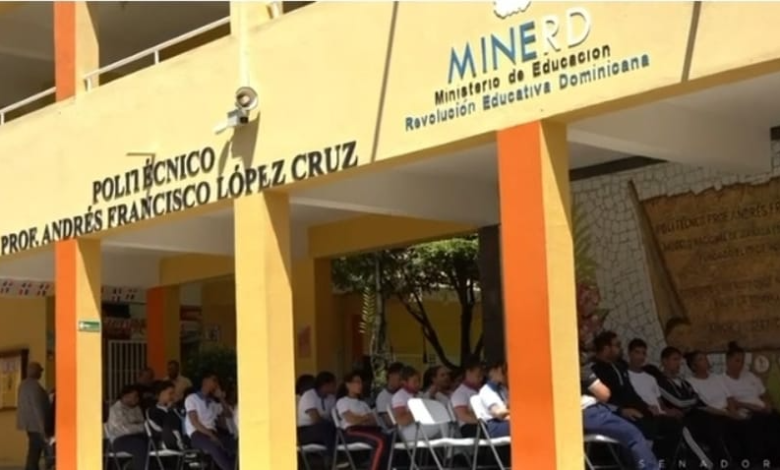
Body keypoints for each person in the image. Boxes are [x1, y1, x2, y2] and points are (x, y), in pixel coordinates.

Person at [592, 332, 683, 462]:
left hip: (635, 412)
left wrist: (647, 408)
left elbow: (631, 394)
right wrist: (621, 411)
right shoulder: (595, 371)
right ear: (606, 348)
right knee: (643, 429)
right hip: (615, 415)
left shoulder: (620, 367)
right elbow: (598, 400)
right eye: (617, 345)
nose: (620, 349)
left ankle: (661, 464)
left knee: (672, 425)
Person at [685, 350, 768, 464]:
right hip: (711, 415)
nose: (706, 360)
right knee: (727, 430)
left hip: (728, 412)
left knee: (751, 423)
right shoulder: (690, 383)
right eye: (701, 359)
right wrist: (728, 414)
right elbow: (702, 406)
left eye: (705, 357)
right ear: (694, 366)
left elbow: (729, 397)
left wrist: (733, 412)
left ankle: (756, 460)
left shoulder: (716, 378)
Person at [652, 346, 729, 466]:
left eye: (679, 360)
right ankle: (707, 464)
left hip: (695, 416)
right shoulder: (660, 382)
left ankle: (724, 463)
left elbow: (699, 402)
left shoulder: (684, 383)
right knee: (687, 430)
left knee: (713, 424)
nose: (678, 363)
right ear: (665, 361)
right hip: (679, 420)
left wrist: (726, 413)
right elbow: (679, 402)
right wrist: (693, 401)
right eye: (675, 359)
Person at [581, 362, 659, 470]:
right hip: (589, 413)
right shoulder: (579, 368)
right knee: (633, 433)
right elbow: (604, 394)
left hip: (575, 416)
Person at [722, 342, 780, 463]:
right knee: (758, 422)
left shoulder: (749, 376)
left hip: (762, 408)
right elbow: (731, 402)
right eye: (737, 361)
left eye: (742, 361)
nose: (740, 364)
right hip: (746, 411)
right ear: (728, 361)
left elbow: (764, 393)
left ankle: (775, 458)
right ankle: (759, 460)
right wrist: (750, 406)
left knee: (775, 418)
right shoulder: (722, 380)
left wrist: (768, 403)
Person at [336, 371, 392, 470]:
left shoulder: (363, 404)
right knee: (380, 441)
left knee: (388, 439)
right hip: (351, 432)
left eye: (361, 382)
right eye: (357, 382)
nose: (360, 385)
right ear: (348, 385)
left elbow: (373, 422)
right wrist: (365, 417)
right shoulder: (342, 401)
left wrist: (361, 418)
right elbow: (352, 420)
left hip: (367, 430)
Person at [184, 373, 236, 470]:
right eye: (214, 380)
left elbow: (228, 414)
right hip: (197, 433)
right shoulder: (192, 398)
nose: (216, 384)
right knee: (214, 447)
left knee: (232, 444)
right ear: (205, 381)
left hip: (213, 433)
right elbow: (194, 422)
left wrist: (221, 397)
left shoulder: (212, 403)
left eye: (217, 382)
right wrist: (211, 435)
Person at [392, 365, 443, 442]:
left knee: (446, 421)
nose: (418, 384)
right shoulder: (399, 396)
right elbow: (402, 420)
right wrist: (418, 409)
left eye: (419, 381)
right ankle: (449, 447)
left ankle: (449, 447)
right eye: (415, 381)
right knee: (443, 422)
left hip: (421, 427)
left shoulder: (419, 394)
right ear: (404, 383)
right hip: (408, 431)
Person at [17, 361, 52, 470]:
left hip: (29, 425)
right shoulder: (34, 387)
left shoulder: (23, 385)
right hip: (37, 425)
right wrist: (43, 428)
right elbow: (38, 408)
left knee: (34, 451)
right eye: (39, 371)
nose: (41, 373)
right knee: (45, 451)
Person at [106, 386, 149, 470]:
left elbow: (143, 425)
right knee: (139, 444)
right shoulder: (115, 409)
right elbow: (123, 429)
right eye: (135, 396)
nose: (137, 399)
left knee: (150, 441)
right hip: (119, 440)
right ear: (125, 396)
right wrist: (138, 426)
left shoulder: (137, 408)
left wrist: (133, 425)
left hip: (137, 436)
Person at [297, 371, 338, 451]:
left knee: (338, 430)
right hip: (305, 431)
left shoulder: (331, 398)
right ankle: (332, 455)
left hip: (325, 429)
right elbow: (315, 419)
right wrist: (329, 422)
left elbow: (334, 417)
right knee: (326, 429)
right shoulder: (309, 395)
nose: (335, 386)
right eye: (333, 384)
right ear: (325, 385)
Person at [449, 358, 484, 437]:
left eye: (482, 376)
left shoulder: (481, 390)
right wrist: (484, 421)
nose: (481, 378)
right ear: (468, 372)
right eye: (478, 375)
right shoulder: (460, 393)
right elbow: (463, 416)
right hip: (470, 427)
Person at [147, 381, 185, 451]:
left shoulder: (178, 408)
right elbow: (161, 428)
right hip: (168, 440)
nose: (173, 396)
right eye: (170, 393)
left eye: (174, 393)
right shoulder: (153, 411)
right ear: (161, 394)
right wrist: (169, 410)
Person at [476, 361, 510, 438]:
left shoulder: (503, 388)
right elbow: (498, 413)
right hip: (497, 425)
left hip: (506, 420)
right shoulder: (486, 390)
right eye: (503, 370)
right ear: (493, 371)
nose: (505, 373)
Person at [375, 362, 404, 426]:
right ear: (391, 375)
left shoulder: (403, 394)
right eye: (399, 379)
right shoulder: (382, 397)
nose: (402, 382)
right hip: (393, 430)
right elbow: (389, 422)